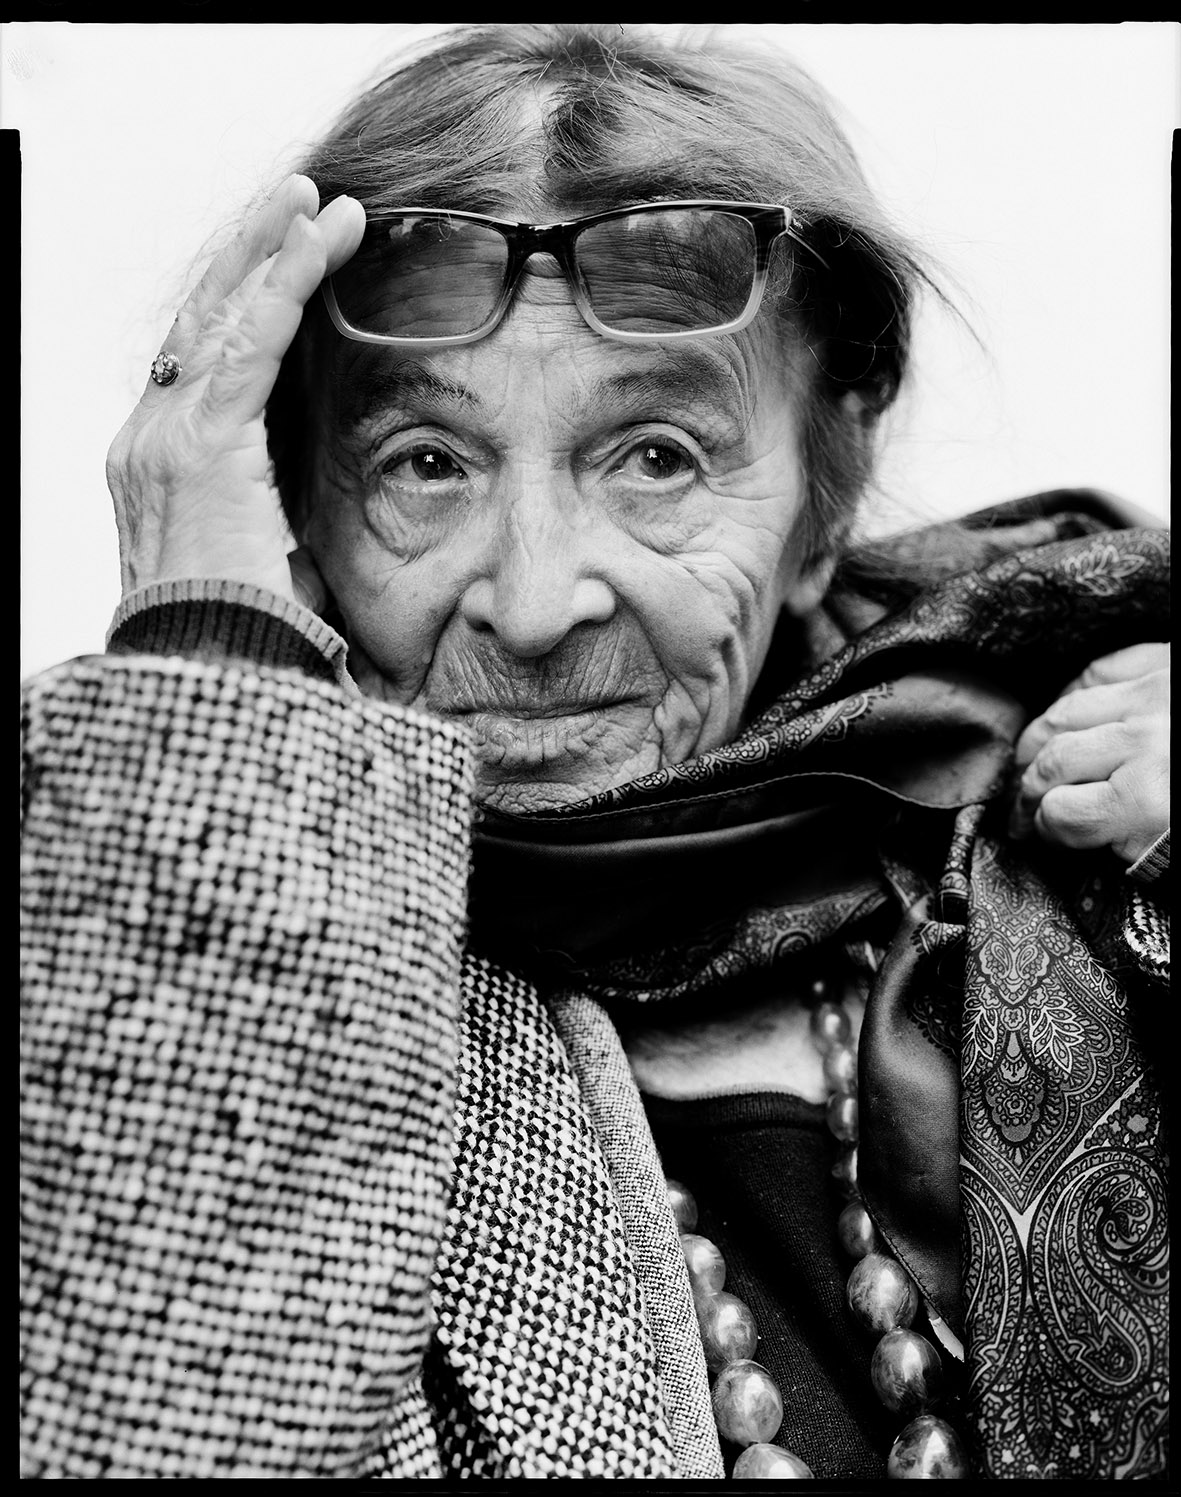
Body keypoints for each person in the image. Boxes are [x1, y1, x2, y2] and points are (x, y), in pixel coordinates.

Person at [20, 22, 1169, 1482]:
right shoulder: (105, 951)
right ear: (292, 504)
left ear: (828, 494)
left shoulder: (1087, 808)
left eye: (656, 458)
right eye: (425, 465)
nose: (535, 600)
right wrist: (218, 690)